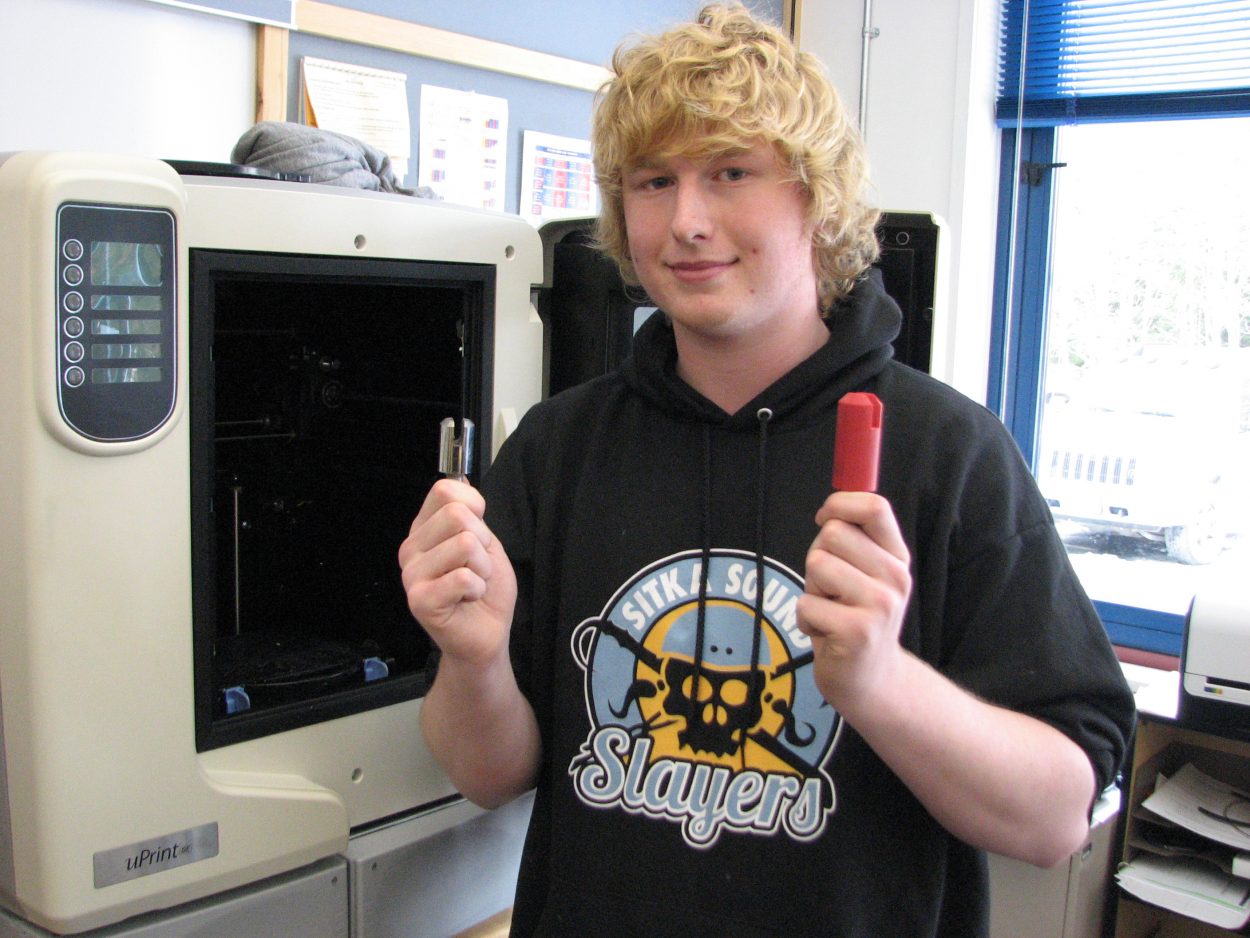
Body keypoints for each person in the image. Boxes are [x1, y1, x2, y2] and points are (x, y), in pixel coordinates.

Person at [398, 5, 1136, 935]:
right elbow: (488, 775)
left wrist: (879, 683)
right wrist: (472, 660)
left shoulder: (949, 456)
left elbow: (1054, 818)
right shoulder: (559, 449)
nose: (686, 221)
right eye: (654, 181)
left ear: (815, 199)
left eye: (730, 173)